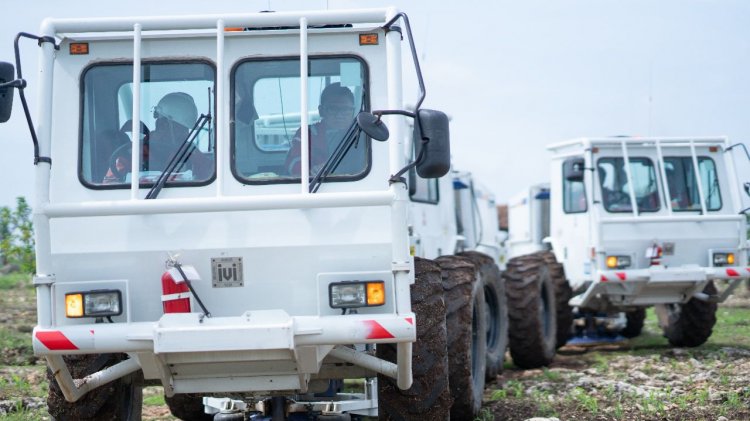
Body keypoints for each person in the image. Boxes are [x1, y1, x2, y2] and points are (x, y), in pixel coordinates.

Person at [104, 92, 210, 183]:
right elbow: (110, 185)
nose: (185, 133)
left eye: (186, 129)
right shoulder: (133, 152)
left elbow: (210, 177)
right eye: (181, 129)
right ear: (163, 124)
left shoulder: (190, 152)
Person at [283, 83, 363, 176]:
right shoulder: (307, 133)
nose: (339, 115)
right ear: (321, 110)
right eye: (333, 109)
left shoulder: (361, 134)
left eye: (346, 109)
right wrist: (311, 170)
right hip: (317, 185)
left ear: (353, 111)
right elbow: (293, 162)